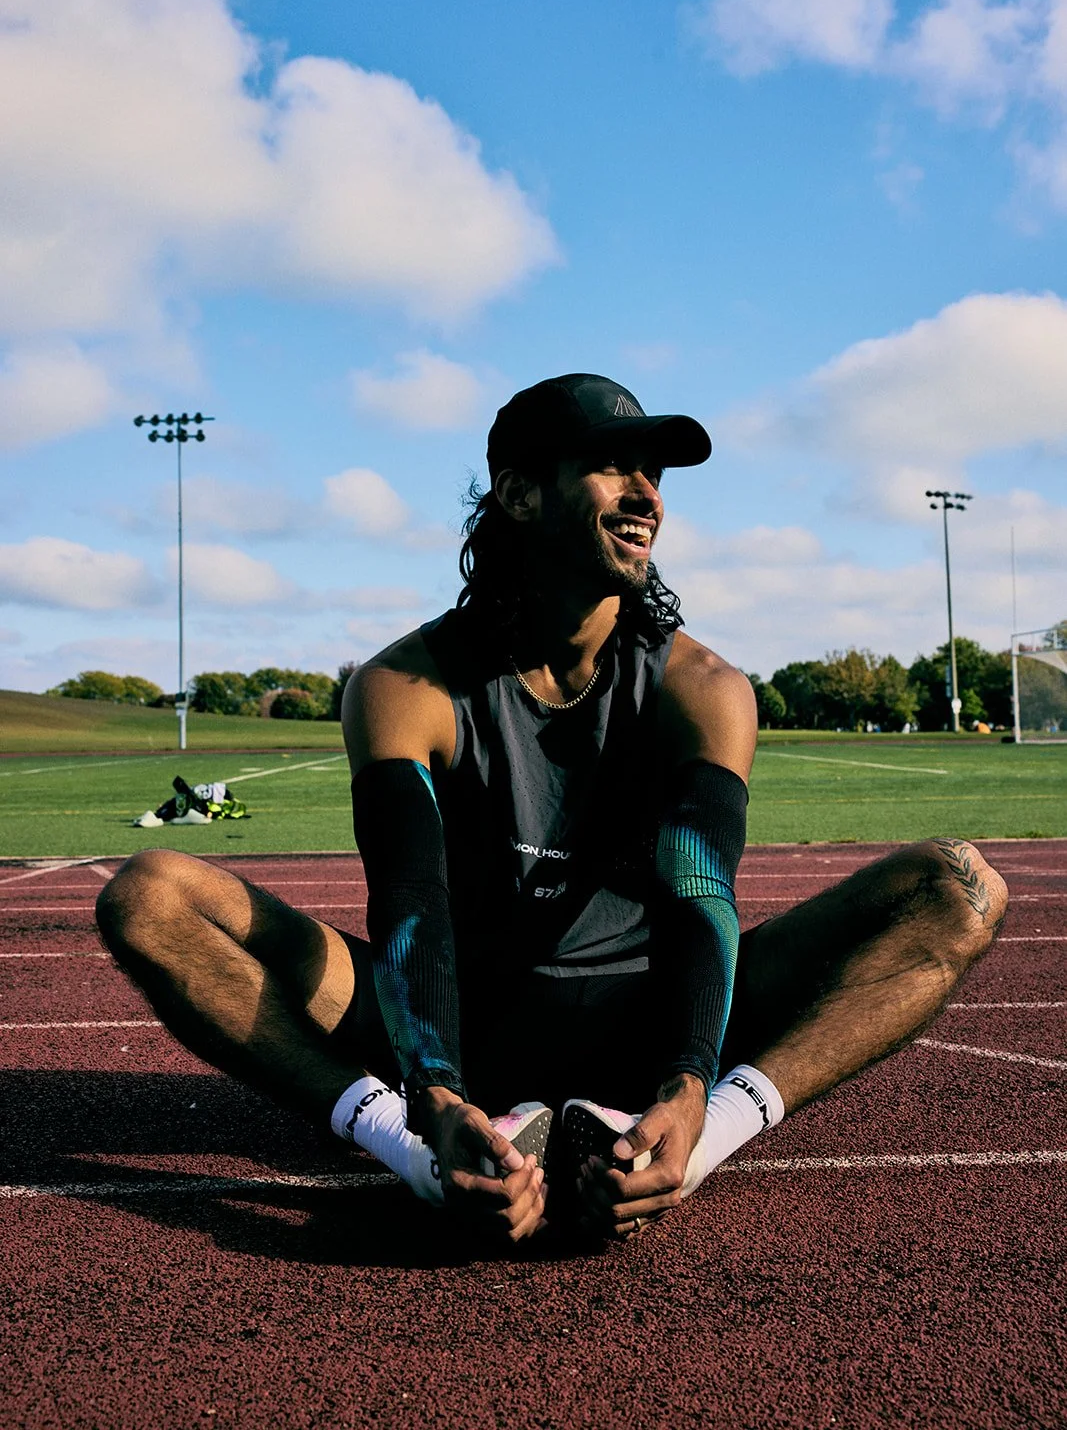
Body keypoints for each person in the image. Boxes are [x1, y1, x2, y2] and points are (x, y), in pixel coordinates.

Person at [96, 373, 1008, 1248]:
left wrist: (692, 1082)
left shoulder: (704, 688)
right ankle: (412, 1157)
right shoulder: (404, 684)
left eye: (655, 473)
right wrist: (435, 1096)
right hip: (455, 1025)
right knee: (149, 896)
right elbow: (410, 903)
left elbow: (702, 894)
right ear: (521, 495)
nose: (646, 493)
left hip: (648, 1022)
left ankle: (693, 1148)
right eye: (613, 466)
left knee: (955, 886)